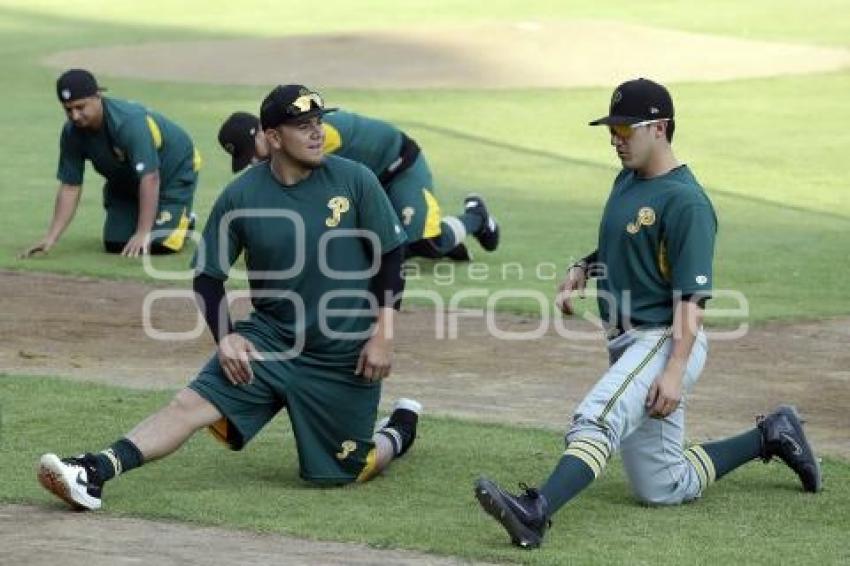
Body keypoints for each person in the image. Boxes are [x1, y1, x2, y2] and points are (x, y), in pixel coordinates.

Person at [473, 78, 822, 549]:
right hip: (627, 342)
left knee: (598, 418)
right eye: (611, 129)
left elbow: (691, 300)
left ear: (658, 127)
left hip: (662, 338)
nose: (615, 139)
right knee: (663, 486)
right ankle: (771, 435)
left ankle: (536, 511)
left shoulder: (687, 203)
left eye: (624, 129)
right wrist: (584, 266)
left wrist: (674, 370)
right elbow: (625, 242)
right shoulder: (629, 180)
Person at [37, 84, 422, 511]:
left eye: (318, 123)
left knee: (348, 469)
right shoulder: (242, 195)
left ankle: (400, 429)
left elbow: (391, 255)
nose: (316, 133)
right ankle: (93, 470)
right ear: (273, 137)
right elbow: (207, 276)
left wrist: (383, 335)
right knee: (188, 404)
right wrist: (225, 336)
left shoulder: (355, 179)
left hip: (342, 352)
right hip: (271, 341)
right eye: (302, 126)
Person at [217, 108, 499, 262]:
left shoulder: (313, 136)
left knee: (422, 243)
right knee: (378, 248)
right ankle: (438, 240)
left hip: (400, 168)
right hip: (369, 184)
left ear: (262, 133)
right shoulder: (282, 150)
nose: (253, 161)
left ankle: (476, 217)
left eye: (250, 151)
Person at [20, 69, 200, 258]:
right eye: (68, 109)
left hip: (173, 172)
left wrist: (142, 232)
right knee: (115, 244)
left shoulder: (129, 123)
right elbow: (70, 186)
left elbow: (150, 177)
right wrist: (51, 237)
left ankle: (185, 220)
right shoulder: (71, 133)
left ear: (98, 97)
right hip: (126, 180)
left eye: (80, 107)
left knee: (158, 245)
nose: (75, 116)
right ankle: (145, 214)